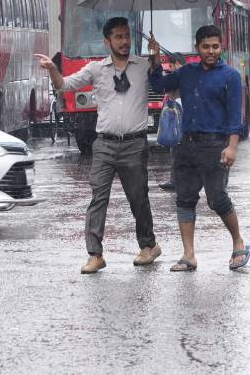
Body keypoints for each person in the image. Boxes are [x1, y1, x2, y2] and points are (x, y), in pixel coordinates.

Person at [36, 16, 161, 274]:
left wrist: (156, 58)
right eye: (118, 37)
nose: (124, 41)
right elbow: (64, 85)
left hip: (134, 144)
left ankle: (148, 246)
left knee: (138, 198)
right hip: (104, 145)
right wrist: (51, 68)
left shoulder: (142, 66)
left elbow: (162, 82)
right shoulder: (96, 69)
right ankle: (95, 254)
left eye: (127, 36)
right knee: (98, 198)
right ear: (107, 41)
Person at [148, 24, 250, 272]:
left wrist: (232, 148)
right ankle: (189, 255)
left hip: (216, 146)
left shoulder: (230, 76)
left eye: (215, 46)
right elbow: (159, 85)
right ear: (197, 48)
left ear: (221, 47)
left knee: (217, 199)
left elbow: (234, 117)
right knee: (184, 200)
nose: (211, 51)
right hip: (187, 145)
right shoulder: (186, 73)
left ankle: (238, 243)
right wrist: (153, 59)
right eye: (205, 47)